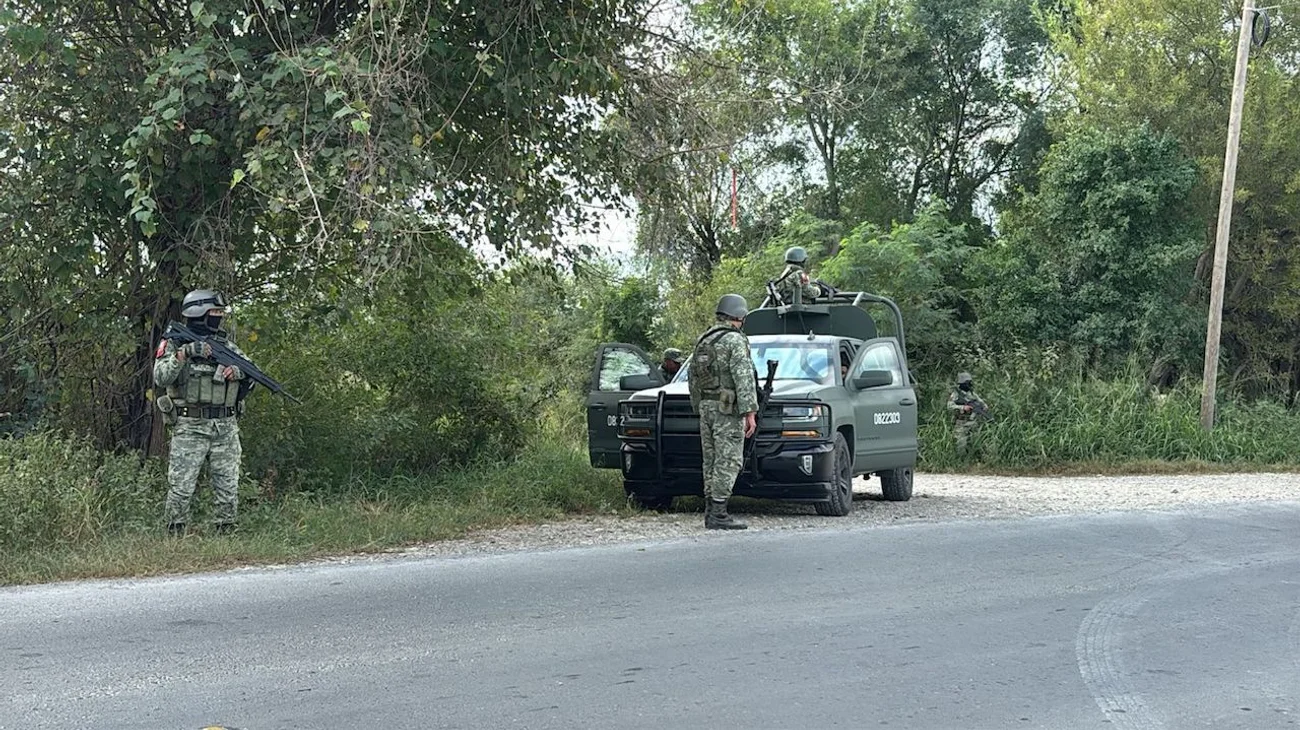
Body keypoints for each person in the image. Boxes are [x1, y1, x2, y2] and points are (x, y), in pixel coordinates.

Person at [153, 289, 249, 535]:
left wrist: (239, 374)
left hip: (225, 427)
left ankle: (225, 533)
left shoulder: (225, 346)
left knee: (227, 485)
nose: (219, 317)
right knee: (181, 486)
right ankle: (175, 535)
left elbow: (250, 376)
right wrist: (184, 354)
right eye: (215, 312)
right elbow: (161, 377)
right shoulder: (175, 342)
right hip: (190, 426)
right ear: (200, 314)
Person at [687, 293, 759, 530]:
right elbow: (744, 377)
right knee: (728, 460)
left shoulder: (704, 338)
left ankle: (711, 510)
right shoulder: (735, 340)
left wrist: (697, 405)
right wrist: (750, 412)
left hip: (706, 406)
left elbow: (692, 376)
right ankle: (718, 512)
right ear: (740, 315)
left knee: (710, 460)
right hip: (726, 409)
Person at [947, 371, 989, 457]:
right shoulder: (956, 394)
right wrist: (962, 407)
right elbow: (949, 406)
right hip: (961, 422)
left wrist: (984, 406)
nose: (969, 384)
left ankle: (974, 459)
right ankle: (960, 461)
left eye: (969, 382)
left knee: (975, 441)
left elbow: (980, 401)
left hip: (973, 422)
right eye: (967, 382)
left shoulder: (972, 393)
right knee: (960, 444)